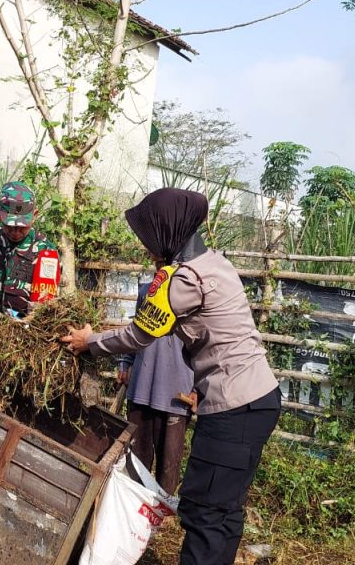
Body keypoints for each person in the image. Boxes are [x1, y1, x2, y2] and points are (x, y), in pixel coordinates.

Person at [62, 188, 280, 565]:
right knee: (226, 510)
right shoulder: (215, 262)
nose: (145, 247)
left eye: (148, 239)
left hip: (234, 409)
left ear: (167, 233)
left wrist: (89, 341)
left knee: (205, 511)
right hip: (259, 400)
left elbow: (139, 334)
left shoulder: (186, 280)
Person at [116, 275, 195, 495]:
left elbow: (206, 346)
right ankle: (132, 509)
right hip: (142, 385)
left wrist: (199, 388)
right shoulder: (147, 291)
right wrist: (125, 362)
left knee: (168, 464)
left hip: (178, 394)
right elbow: (135, 333)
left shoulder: (194, 296)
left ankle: (160, 515)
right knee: (135, 460)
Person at [0, 181, 59, 318]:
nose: (16, 231)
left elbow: (46, 303)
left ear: (34, 215)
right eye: (10, 225)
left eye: (22, 226)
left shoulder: (46, 252)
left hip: (24, 329)